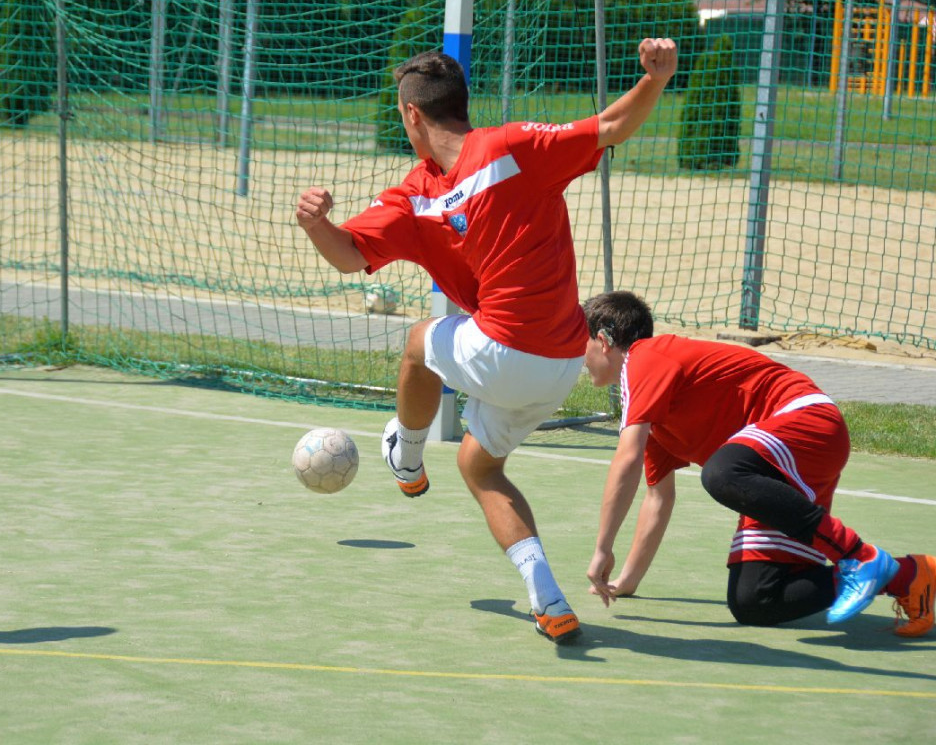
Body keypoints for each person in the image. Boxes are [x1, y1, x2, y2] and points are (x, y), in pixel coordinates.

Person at [296, 40, 678, 643]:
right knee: (480, 467)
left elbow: (609, 127)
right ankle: (546, 597)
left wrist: (315, 222)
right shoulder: (428, 186)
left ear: (412, 114)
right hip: (559, 367)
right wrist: (656, 79)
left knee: (419, 340)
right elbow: (349, 251)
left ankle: (409, 455)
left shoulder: (504, 150)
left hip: (506, 349)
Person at [580, 290, 935, 637]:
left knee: (721, 472)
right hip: (775, 466)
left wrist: (601, 549)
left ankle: (860, 556)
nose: (578, 358)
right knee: (756, 601)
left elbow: (626, 459)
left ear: (603, 341)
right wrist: (627, 580)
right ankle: (908, 575)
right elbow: (658, 498)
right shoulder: (658, 419)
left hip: (808, 422)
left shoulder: (645, 357)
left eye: (579, 343)